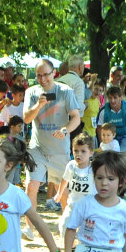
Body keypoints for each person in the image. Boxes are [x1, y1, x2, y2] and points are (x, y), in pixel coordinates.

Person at [24, 59, 83, 214]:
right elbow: (27, 119)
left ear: (54, 73)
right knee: (31, 186)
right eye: (39, 76)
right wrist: (38, 105)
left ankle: (68, 225)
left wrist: (65, 130)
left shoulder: (65, 91)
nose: (43, 79)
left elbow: (76, 117)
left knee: (62, 192)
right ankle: (29, 228)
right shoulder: (31, 92)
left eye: (46, 75)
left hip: (58, 149)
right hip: (37, 148)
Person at [54, 133, 96, 238]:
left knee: (88, 232)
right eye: (76, 150)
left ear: (91, 153)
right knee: (64, 225)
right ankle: (70, 249)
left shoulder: (94, 169)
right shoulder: (71, 165)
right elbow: (65, 179)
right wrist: (59, 193)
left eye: (83, 151)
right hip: (73, 204)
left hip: (89, 207)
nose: (79, 154)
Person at [95, 84, 126, 155]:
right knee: (106, 155)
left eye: (115, 97)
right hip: (109, 136)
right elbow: (99, 127)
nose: (112, 100)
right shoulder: (103, 110)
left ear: (120, 97)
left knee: (122, 155)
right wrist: (102, 143)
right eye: (110, 98)